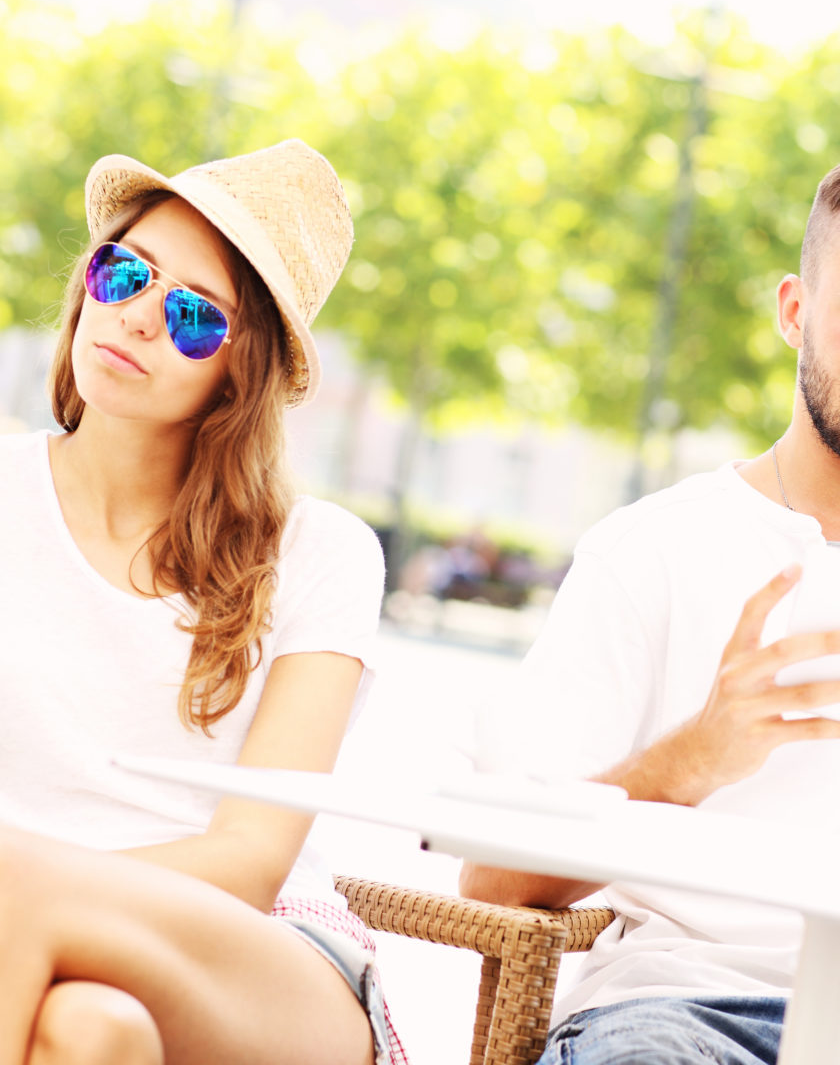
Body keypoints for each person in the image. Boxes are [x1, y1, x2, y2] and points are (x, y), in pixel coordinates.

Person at [0, 140, 409, 1065]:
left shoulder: (321, 552)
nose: (140, 317)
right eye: (124, 273)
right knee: (91, 1031)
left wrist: (30, 892)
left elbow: (250, 862)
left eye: (194, 315)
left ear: (241, 371)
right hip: (28, 947)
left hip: (259, 949)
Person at [459, 162, 840, 1065]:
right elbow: (493, 882)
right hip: (694, 1012)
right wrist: (691, 758)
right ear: (794, 312)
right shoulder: (655, 549)